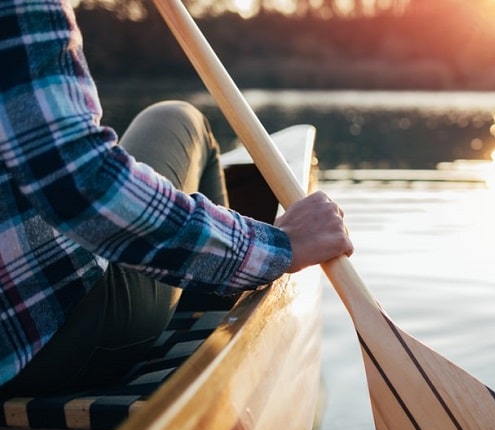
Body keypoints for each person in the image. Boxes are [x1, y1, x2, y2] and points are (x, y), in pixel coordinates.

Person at [0, 0, 353, 396]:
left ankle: (212, 283)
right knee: (178, 119)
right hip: (47, 340)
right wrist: (278, 248)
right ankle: (223, 316)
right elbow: (79, 184)